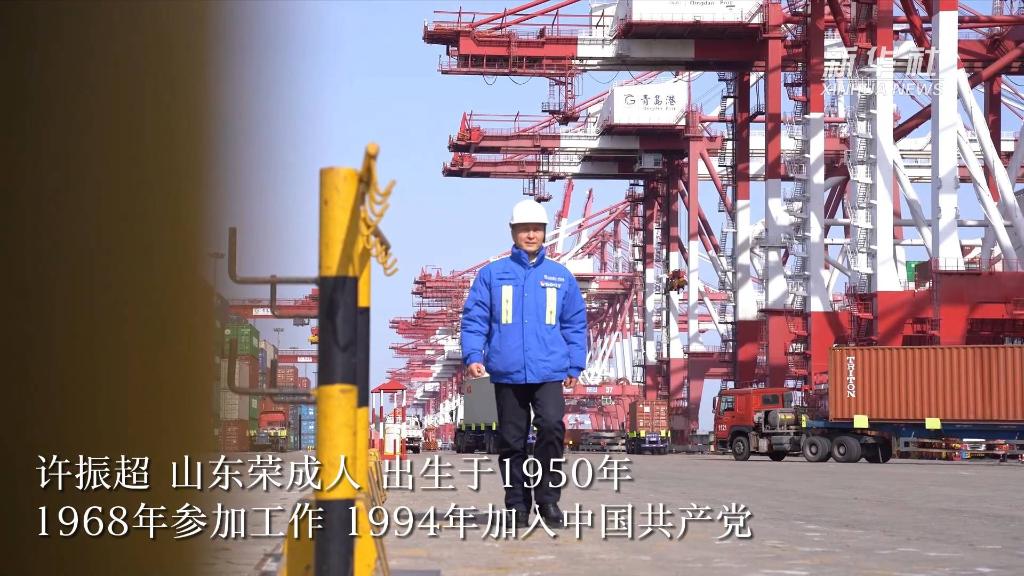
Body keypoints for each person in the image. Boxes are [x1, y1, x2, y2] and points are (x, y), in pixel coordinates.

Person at [460, 198, 588, 529]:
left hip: (549, 370)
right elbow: (475, 319)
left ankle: (548, 500)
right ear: (512, 232)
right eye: (524, 229)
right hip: (508, 371)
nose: (531, 235)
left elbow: (574, 323)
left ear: (544, 232)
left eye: (536, 229)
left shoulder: (560, 277)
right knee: (512, 441)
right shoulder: (492, 275)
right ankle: (517, 504)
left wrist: (575, 364)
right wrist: (473, 355)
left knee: (551, 427)